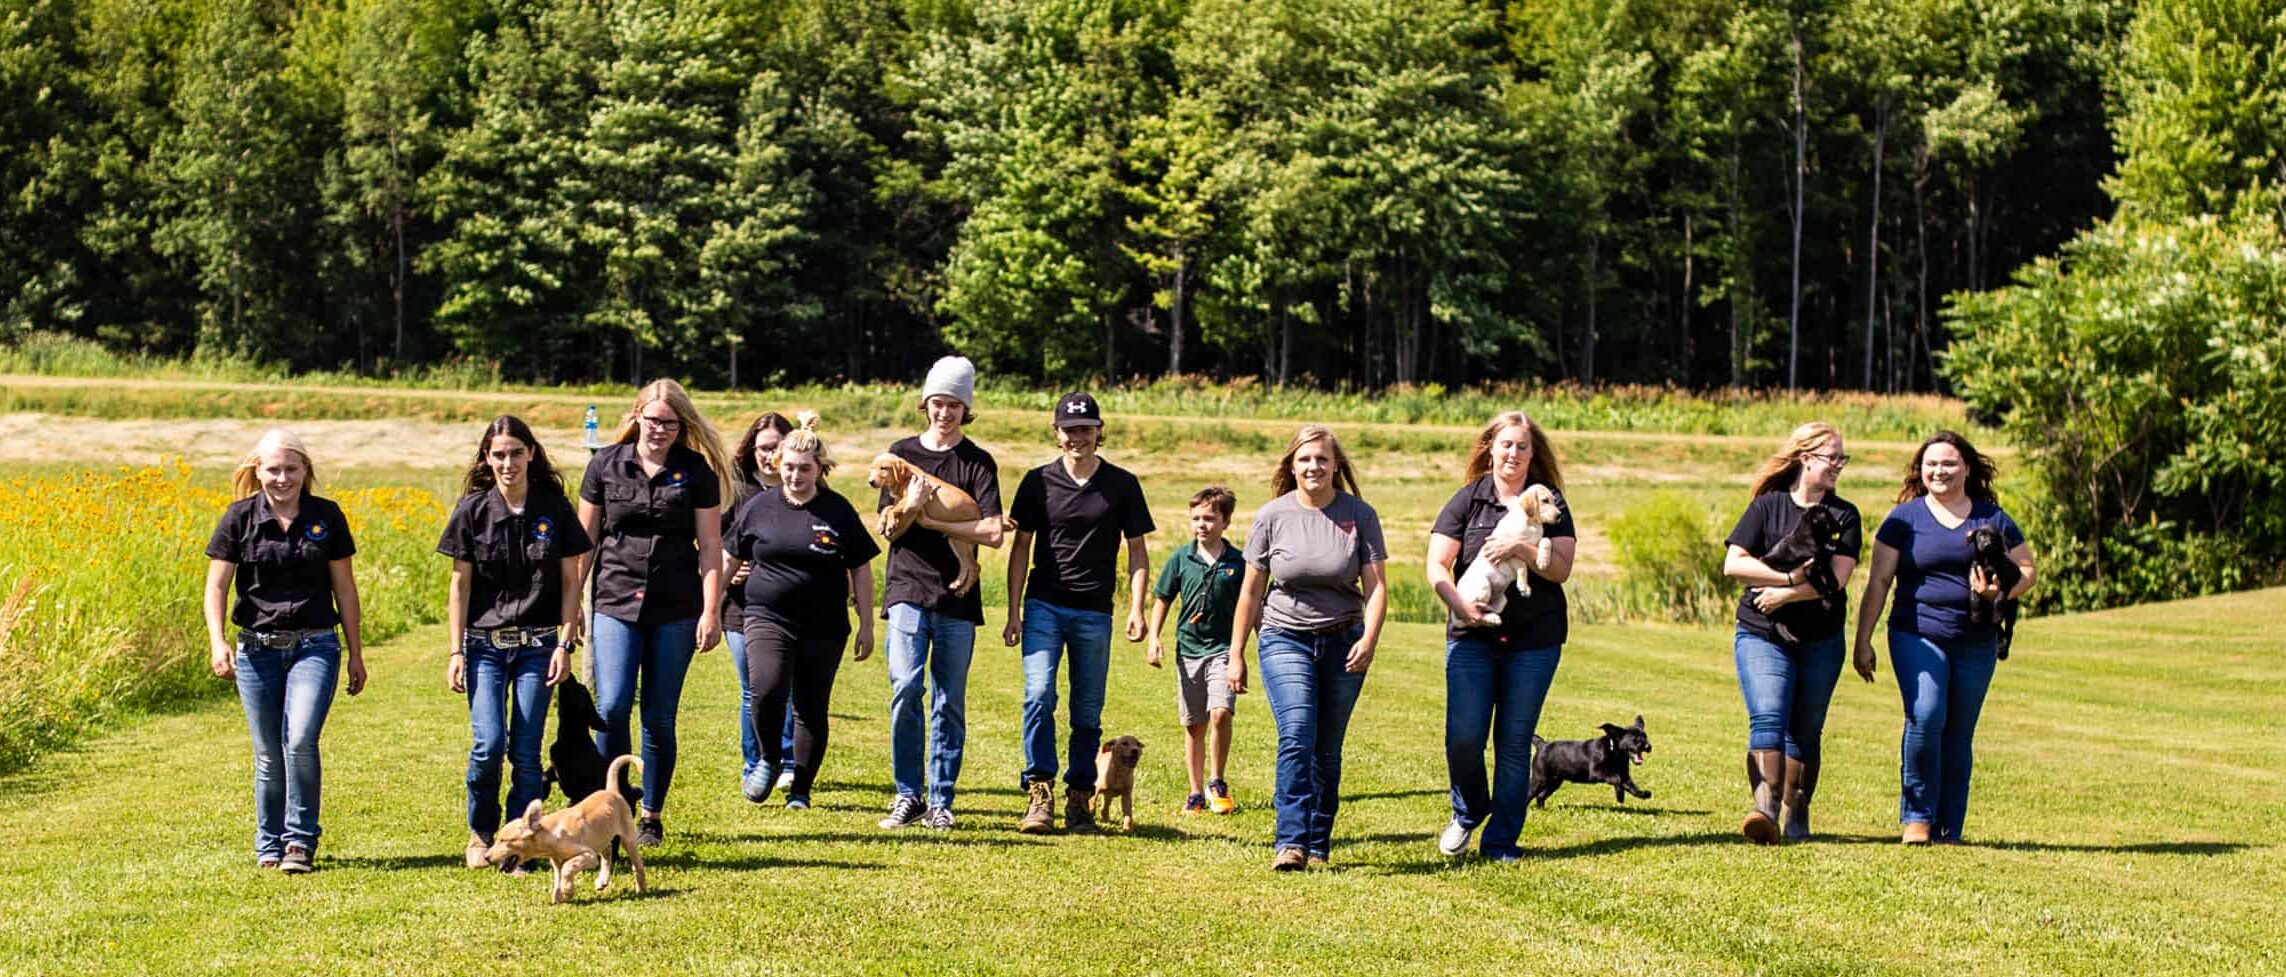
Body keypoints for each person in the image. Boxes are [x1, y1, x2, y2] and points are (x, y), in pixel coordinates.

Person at [1853, 430, 2037, 845]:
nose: (1939, 471)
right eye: (1931, 464)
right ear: (1920, 470)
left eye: (1949, 463)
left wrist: (2001, 593)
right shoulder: (1903, 519)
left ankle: (1949, 826)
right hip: (1916, 632)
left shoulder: (1992, 518)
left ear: (1967, 469)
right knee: (1927, 714)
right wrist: (1863, 639)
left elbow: (2027, 571)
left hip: (1976, 638)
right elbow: (1879, 582)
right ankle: (1917, 818)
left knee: (1959, 731)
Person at [575, 379, 733, 847]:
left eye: (670, 422)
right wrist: (572, 608)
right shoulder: (604, 464)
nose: (660, 429)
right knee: (613, 705)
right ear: (637, 415)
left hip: (676, 606)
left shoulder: (696, 472)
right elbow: (583, 545)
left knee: (659, 716)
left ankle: (650, 815)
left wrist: (712, 611)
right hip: (614, 599)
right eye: (653, 419)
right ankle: (611, 806)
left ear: (682, 426)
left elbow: (710, 547)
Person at [203, 429, 367, 874]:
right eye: (273, 469)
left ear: (306, 472)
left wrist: (355, 653)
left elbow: (345, 589)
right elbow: (216, 586)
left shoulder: (327, 517)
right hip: (256, 650)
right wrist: (218, 642)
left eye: (291, 469)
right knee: (268, 752)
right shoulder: (238, 518)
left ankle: (299, 841)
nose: (282, 478)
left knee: (299, 741)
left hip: (315, 645)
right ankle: (268, 843)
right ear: (257, 472)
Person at [1227, 425, 1388, 871]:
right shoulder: (1271, 516)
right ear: (1291, 466)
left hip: (1344, 639)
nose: (1313, 466)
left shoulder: (1360, 515)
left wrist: (1369, 640)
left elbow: (1376, 589)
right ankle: (1291, 841)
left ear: (1336, 465)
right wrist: (1236, 654)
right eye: (1305, 459)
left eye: (1321, 459)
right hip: (1284, 636)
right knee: (1297, 732)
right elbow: (1250, 593)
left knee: (1327, 748)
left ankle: (1318, 839)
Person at [437, 416, 592, 868]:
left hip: (539, 644)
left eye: (516, 453)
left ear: (531, 454)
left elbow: (569, 582)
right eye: (499, 455)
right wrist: (456, 651)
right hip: (484, 645)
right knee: (487, 744)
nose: (508, 463)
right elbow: (459, 586)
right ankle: (480, 832)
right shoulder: (472, 511)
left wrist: (564, 644)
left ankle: (521, 843)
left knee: (525, 748)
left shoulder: (554, 508)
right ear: (487, 459)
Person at [1424, 411, 1575, 861]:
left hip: (1535, 640)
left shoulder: (1549, 502)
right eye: (1505, 444)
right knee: (1464, 738)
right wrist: (1458, 605)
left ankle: (1501, 842)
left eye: (1522, 446)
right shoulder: (1468, 501)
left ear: (1533, 454)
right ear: (1490, 448)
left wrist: (1522, 548)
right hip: (1471, 635)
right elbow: (1437, 564)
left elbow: (1561, 568)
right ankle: (1468, 811)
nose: (1513, 453)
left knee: (1513, 743)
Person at [1003, 392, 1155, 833]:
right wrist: (1014, 610)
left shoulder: (1122, 484)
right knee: (1038, 696)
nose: (1077, 437)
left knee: (1087, 711)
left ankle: (1079, 799)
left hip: (1094, 611)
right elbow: (1020, 548)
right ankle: (1040, 791)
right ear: (1057, 434)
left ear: (1098, 432)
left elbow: (1138, 551)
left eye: (1086, 429)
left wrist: (1137, 608)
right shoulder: (1037, 482)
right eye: (1069, 430)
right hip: (1044, 604)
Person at [877, 355, 1005, 831]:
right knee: (906, 688)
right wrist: (910, 508)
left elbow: (993, 531)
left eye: (954, 405)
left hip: (956, 596)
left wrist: (928, 517)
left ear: (965, 409)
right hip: (908, 586)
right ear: (925, 404)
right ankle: (907, 794)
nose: (944, 413)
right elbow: (887, 530)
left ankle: (941, 799)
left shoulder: (977, 462)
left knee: (949, 699)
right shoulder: (898, 454)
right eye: (937, 403)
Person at [725, 420, 878, 811]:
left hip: (824, 624)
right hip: (766, 616)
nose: (795, 475)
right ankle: (769, 758)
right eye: (789, 466)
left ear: (819, 469)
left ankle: (801, 789)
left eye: (804, 468)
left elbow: (860, 567)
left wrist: (866, 623)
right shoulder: (759, 506)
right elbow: (731, 555)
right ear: (778, 463)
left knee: (811, 706)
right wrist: (708, 607)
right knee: (767, 689)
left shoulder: (837, 509)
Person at [1721, 422, 1862, 844]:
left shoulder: (1845, 515)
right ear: (1805, 459)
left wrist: (1785, 593)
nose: (1838, 465)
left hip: (1821, 637)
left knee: (1805, 729)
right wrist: (1787, 580)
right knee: (1767, 715)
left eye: (1842, 458)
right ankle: (1764, 808)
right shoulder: (1767, 507)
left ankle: (1796, 810)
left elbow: (1836, 580)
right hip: (1762, 632)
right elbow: (1734, 564)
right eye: (1831, 457)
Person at [1147, 485, 1247, 817]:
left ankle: (1217, 782)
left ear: (1225, 522)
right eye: (1196, 518)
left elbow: (1251, 606)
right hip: (1188, 650)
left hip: (1224, 650)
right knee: (1195, 724)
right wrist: (1154, 637)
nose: (1201, 525)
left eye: (1209, 518)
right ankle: (1195, 791)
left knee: (1220, 712)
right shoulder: (1181, 558)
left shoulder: (1238, 562)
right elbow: (1163, 597)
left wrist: (1250, 648)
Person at [724, 410, 801, 801]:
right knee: (754, 689)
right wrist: (730, 572)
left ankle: (786, 762)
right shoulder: (736, 492)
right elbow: (712, 544)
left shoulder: (802, 489)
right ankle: (754, 763)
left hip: (790, 609)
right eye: (762, 449)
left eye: (776, 448)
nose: (768, 457)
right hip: (740, 608)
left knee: (784, 688)